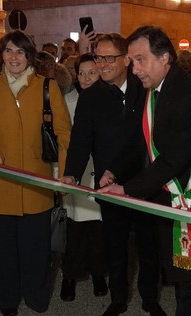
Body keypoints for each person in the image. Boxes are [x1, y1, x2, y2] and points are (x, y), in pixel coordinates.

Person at [99, 25, 191, 316]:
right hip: (171, 201)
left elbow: (173, 160)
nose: (134, 69)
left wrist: (127, 189)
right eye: (132, 61)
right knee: (182, 280)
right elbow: (141, 140)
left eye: (140, 59)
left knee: (190, 287)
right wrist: (114, 170)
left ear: (165, 58)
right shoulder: (158, 89)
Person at [0, 30, 71, 316]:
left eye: (21, 52)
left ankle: (36, 297)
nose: (15, 57)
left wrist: (65, 175)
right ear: (1, 55)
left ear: (30, 56)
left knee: (36, 251)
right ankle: (5, 301)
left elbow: (64, 135)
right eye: (9, 51)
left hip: (36, 185)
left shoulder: (47, 87)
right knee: (0, 251)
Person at [60, 33, 162, 316]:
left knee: (148, 247)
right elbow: (81, 140)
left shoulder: (147, 90)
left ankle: (150, 299)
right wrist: (71, 174)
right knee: (114, 247)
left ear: (126, 59)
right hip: (108, 184)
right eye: (99, 57)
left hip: (145, 182)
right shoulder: (90, 97)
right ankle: (118, 300)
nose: (102, 64)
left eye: (109, 57)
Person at [55, 52, 107, 304]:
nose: (86, 79)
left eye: (92, 73)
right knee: (75, 231)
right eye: (82, 73)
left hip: (102, 174)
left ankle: (98, 272)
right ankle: (70, 276)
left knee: (99, 230)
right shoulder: (67, 101)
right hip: (76, 173)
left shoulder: (110, 99)